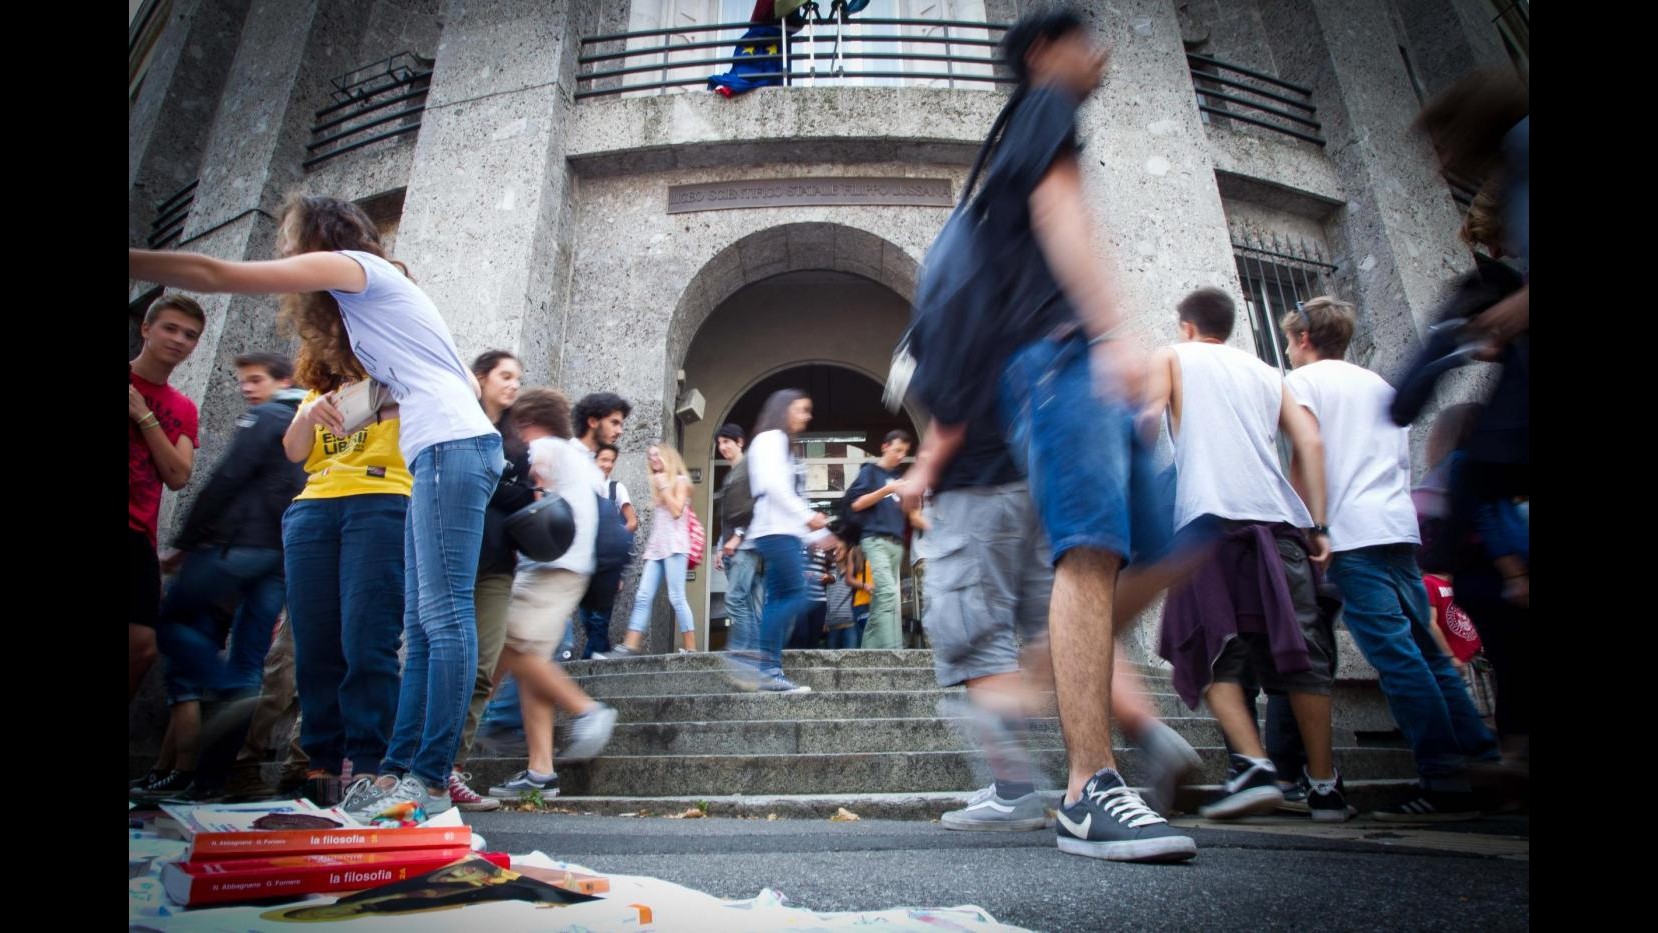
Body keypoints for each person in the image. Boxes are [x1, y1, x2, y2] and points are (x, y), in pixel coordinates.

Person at [897, 8, 1194, 862]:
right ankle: (1088, 787)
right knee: (1093, 551)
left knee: (1161, 543)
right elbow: (1061, 212)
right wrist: (1111, 333)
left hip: (1059, 363)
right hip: (1058, 358)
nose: (1097, 55)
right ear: (1041, 52)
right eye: (1083, 39)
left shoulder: (1029, 127)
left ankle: (1037, 678)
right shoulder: (1043, 106)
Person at [130, 193, 504, 819]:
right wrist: (335, 406)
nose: (286, 253)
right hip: (441, 449)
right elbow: (426, 387)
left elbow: (222, 275)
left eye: (289, 240)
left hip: (450, 448)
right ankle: (395, 779)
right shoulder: (374, 308)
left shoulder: (353, 268)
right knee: (421, 627)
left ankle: (432, 778)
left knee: (442, 622)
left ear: (316, 238)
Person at [1282, 297, 1498, 820]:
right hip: (1397, 529)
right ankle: (1486, 761)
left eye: (1289, 340)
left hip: (1350, 533)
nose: (1289, 350)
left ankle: (1444, 778)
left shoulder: (1302, 385)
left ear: (1304, 339)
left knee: (1397, 658)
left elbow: (1307, 460)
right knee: (1426, 652)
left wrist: (1310, 525)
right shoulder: (1380, 385)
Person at [1144, 287, 1351, 823]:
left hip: (1208, 524)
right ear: (1228, 326)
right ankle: (1325, 786)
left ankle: (1253, 763)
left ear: (1186, 325)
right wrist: (1320, 523)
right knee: (1303, 653)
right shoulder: (1266, 372)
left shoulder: (1173, 355)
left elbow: (1145, 426)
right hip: (1280, 524)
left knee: (1211, 648)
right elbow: (1310, 441)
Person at [141, 353, 308, 799]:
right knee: (250, 666)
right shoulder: (309, 423)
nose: (248, 389)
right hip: (277, 554)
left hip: (234, 546)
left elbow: (228, 476)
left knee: (170, 622)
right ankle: (213, 782)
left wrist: (188, 539)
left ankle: (221, 685)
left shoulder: (270, 416)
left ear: (283, 381)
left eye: (256, 380)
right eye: (243, 381)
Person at [486, 388, 618, 800]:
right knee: (530, 664)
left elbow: (534, 475)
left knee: (510, 648)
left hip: (548, 567)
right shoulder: (575, 453)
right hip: (571, 566)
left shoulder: (544, 446)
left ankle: (587, 710)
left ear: (527, 422)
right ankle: (540, 772)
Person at [446, 349, 534, 812]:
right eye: (505, 376)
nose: (513, 384)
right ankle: (417, 762)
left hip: (498, 562)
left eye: (518, 378)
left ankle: (452, 768)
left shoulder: (514, 439)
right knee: (439, 659)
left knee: (483, 666)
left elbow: (521, 493)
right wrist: (508, 484)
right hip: (451, 552)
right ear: (479, 378)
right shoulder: (457, 419)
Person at [724, 389, 840, 693]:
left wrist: (817, 534)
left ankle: (768, 671)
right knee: (797, 595)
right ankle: (753, 659)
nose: (807, 416)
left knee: (779, 598)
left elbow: (791, 496)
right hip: (773, 531)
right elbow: (774, 488)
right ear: (784, 409)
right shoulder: (770, 440)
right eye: (802, 409)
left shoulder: (784, 445)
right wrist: (809, 518)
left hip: (784, 531)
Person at [129, 294, 204, 703]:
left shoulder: (183, 408)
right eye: (170, 328)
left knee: (142, 646)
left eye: (190, 335)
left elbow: (178, 474)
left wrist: (144, 417)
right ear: (146, 328)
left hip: (139, 534)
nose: (179, 340)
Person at [614, 442, 698, 655]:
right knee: (643, 595)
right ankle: (631, 645)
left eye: (657, 456)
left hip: (676, 546)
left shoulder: (681, 481)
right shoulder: (659, 483)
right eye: (650, 457)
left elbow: (677, 511)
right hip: (657, 548)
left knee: (676, 596)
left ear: (667, 458)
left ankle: (691, 648)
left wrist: (663, 487)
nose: (653, 460)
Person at [843, 430, 914, 649]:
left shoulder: (898, 476)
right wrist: (887, 489)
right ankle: (893, 650)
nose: (901, 455)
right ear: (885, 447)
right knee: (886, 594)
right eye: (897, 450)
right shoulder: (870, 472)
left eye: (905, 452)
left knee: (887, 601)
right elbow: (856, 504)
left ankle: (868, 652)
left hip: (896, 543)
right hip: (875, 539)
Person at [713, 423, 765, 656]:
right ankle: (755, 650)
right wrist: (719, 547)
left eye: (726, 442)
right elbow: (728, 518)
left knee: (735, 599)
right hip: (734, 548)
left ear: (740, 442)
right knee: (750, 602)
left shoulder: (749, 469)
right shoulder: (733, 474)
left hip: (745, 547)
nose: (722, 447)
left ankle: (743, 650)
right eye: (719, 443)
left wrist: (738, 536)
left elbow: (755, 507)